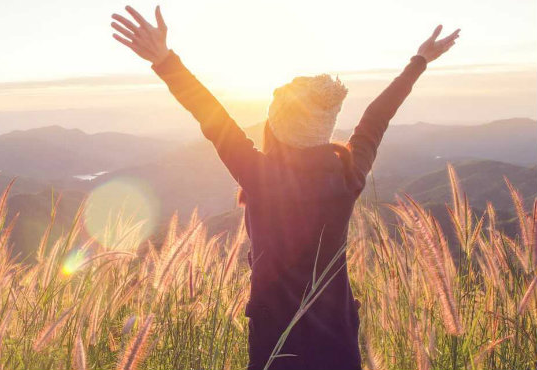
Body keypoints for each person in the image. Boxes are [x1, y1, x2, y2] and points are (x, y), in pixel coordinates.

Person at [111, 6, 459, 370]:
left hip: (276, 346)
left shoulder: (261, 177)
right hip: (338, 345)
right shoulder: (348, 174)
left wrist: (165, 60)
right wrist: (420, 59)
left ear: (275, 127)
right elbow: (377, 116)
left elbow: (211, 116)